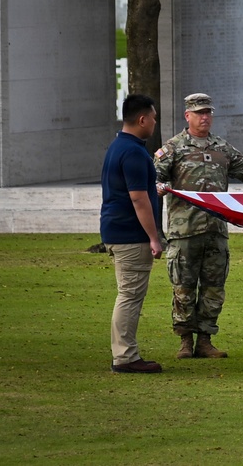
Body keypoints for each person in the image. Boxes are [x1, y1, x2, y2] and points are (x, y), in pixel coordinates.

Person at [154, 93, 243, 359]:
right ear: (188, 116)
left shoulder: (221, 147)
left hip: (216, 230)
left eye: (208, 112)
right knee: (183, 287)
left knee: (213, 288)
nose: (204, 117)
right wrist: (159, 186)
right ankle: (185, 340)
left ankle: (205, 340)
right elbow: (154, 176)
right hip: (185, 231)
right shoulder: (173, 148)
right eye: (199, 113)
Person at [100, 94, 165, 374]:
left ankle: (124, 353)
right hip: (130, 234)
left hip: (116, 229)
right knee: (130, 295)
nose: (154, 122)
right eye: (153, 118)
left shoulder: (118, 146)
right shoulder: (135, 153)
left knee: (127, 293)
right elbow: (138, 199)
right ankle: (125, 357)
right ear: (142, 120)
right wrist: (154, 237)